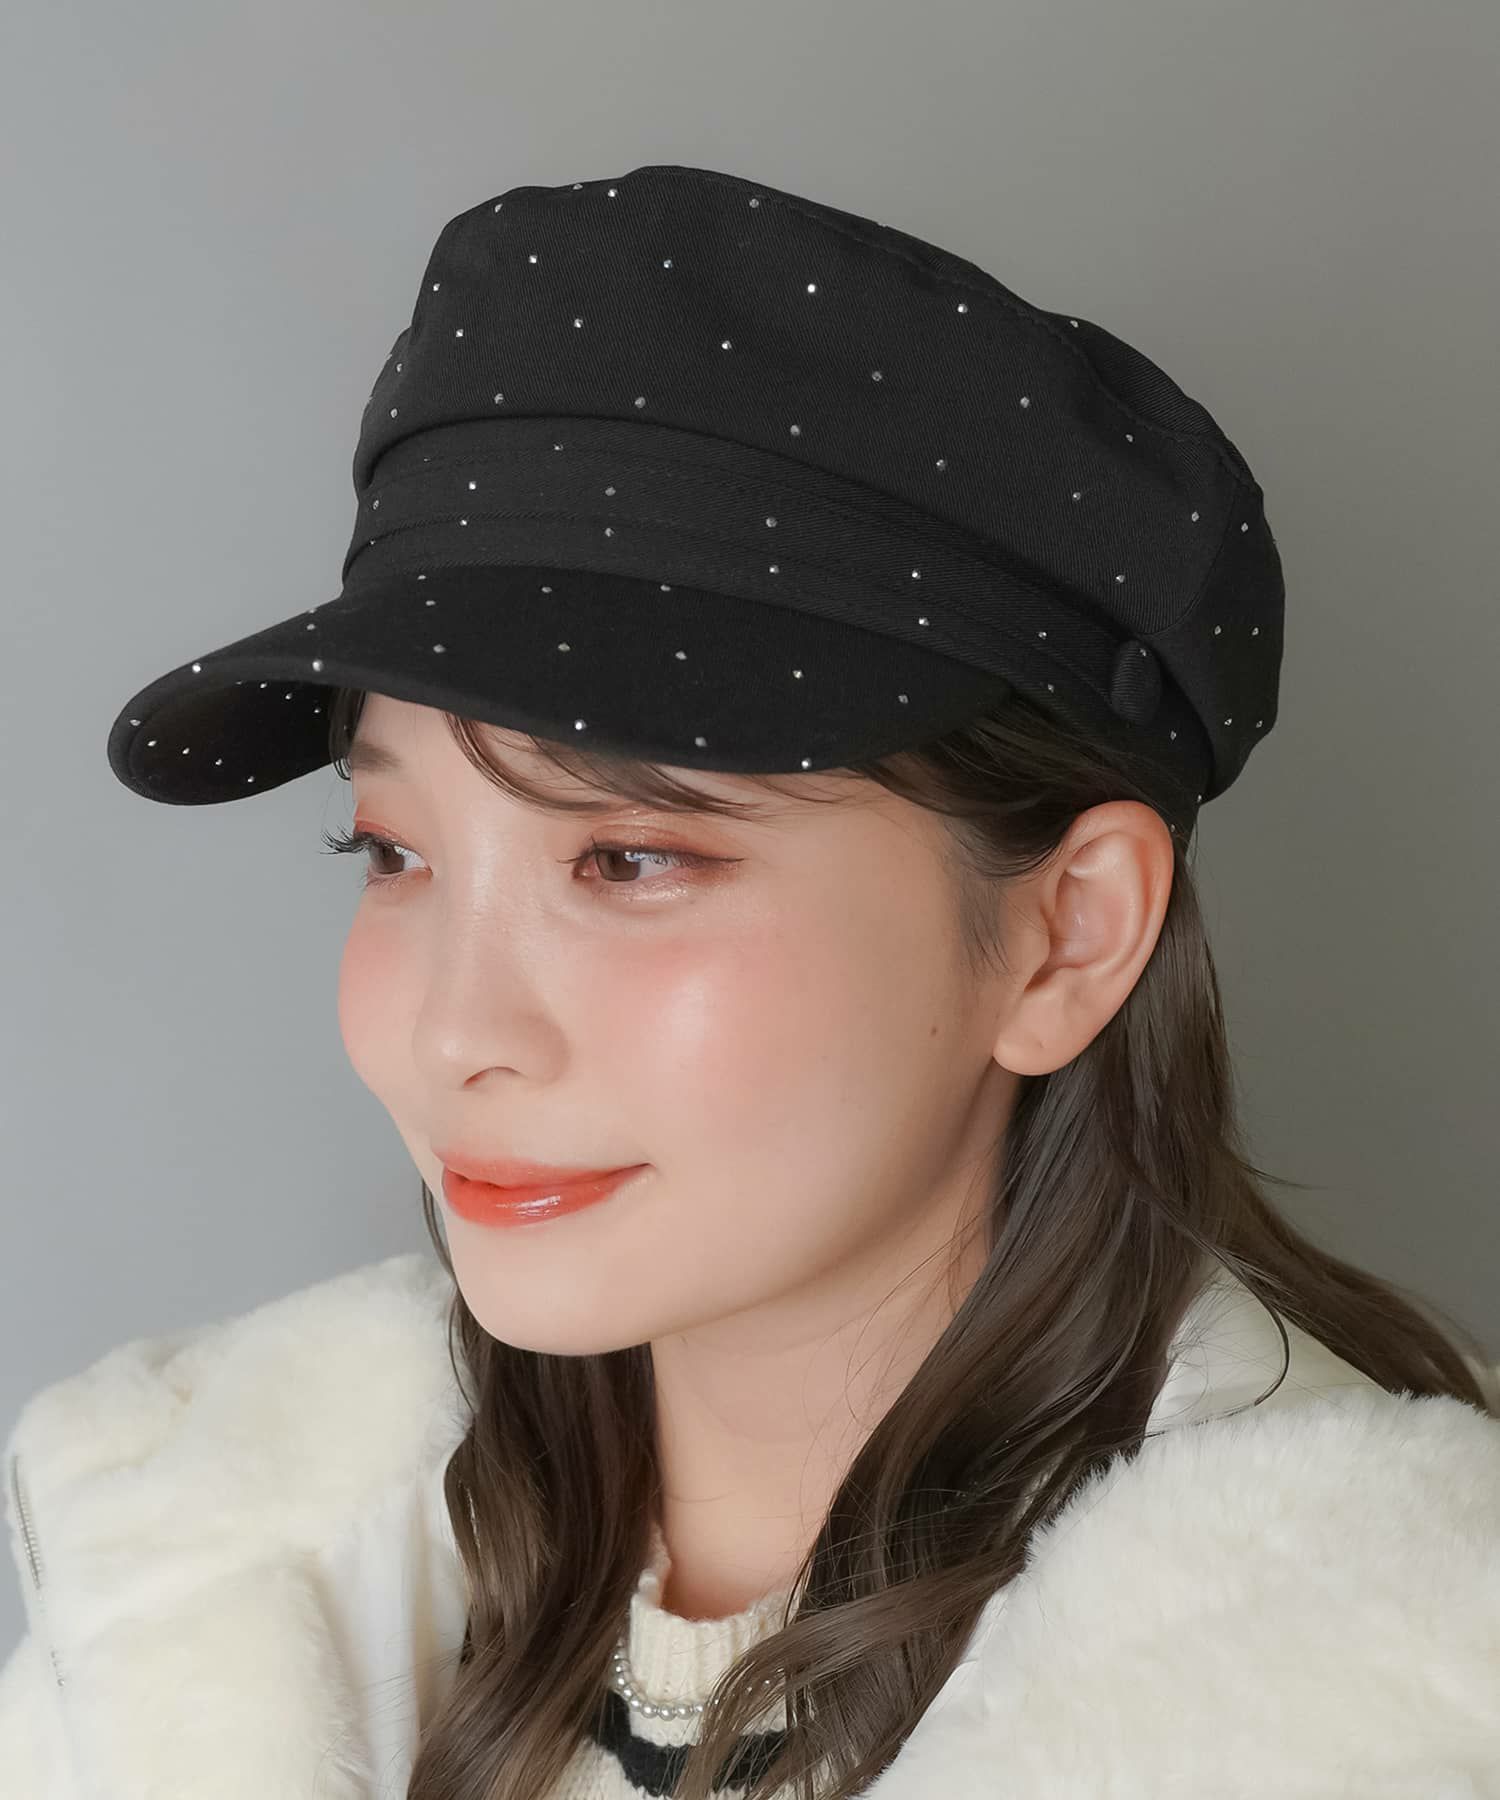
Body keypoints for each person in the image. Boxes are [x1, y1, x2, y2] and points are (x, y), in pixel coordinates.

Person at [4, 163, 1499, 1799]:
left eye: (630, 859)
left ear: (1066, 934)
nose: (452, 1032)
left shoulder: (1379, 1703)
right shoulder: (213, 1596)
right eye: (394, 851)